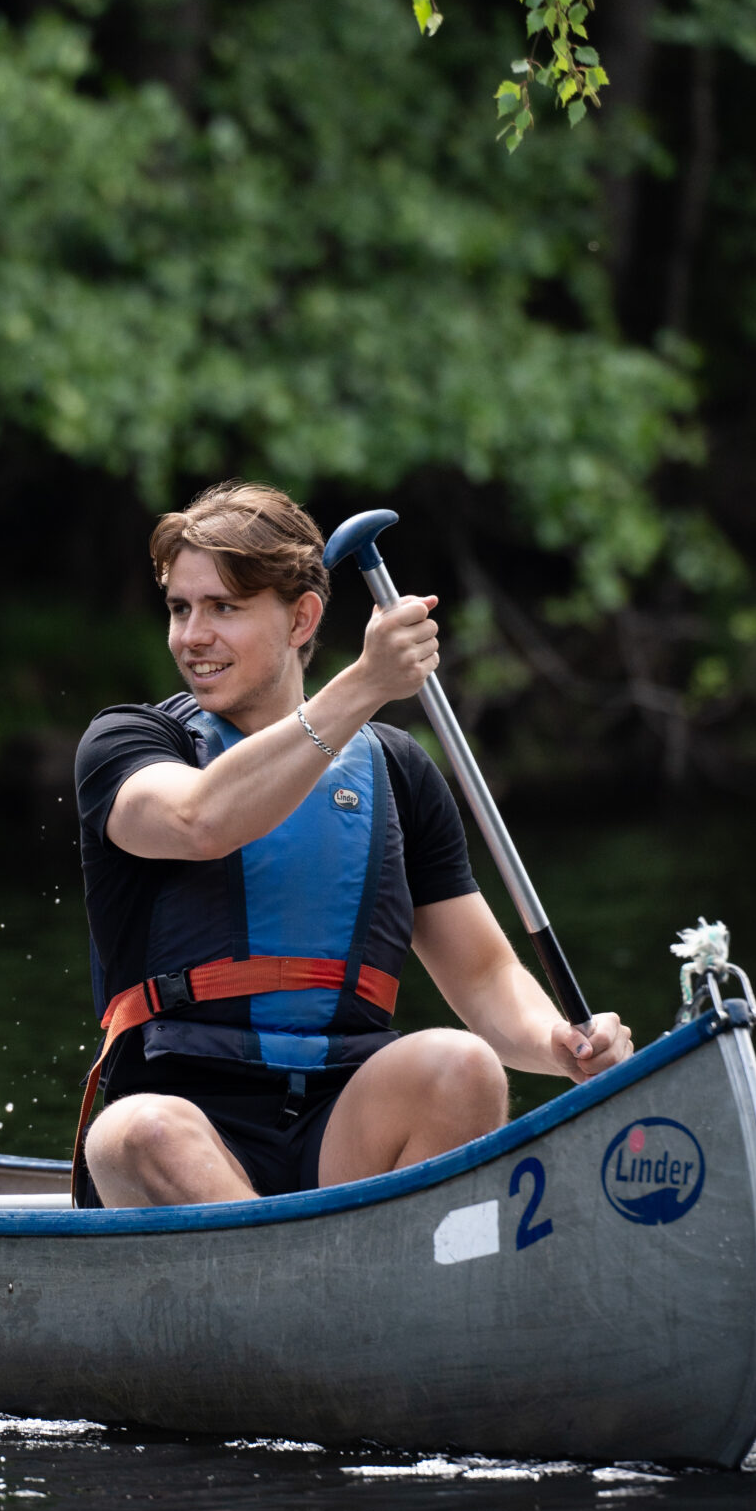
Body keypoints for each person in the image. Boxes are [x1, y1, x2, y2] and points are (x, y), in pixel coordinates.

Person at [73, 482, 633, 1208]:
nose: (191, 636)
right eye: (180, 608)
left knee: (462, 1064)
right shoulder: (131, 742)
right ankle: (303, 1295)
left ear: (301, 617)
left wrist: (559, 1044)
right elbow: (198, 821)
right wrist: (364, 685)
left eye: (223, 608)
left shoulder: (396, 772)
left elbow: (485, 977)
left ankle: (374, 1280)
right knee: (140, 1128)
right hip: (175, 1119)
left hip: (341, 1129)